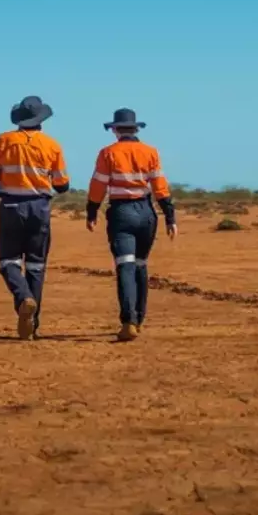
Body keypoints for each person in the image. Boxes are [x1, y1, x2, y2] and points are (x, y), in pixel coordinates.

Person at [0, 96, 71, 340]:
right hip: (40, 208)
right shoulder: (52, 145)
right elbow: (62, 185)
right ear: (41, 120)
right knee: (36, 266)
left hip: (11, 207)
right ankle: (32, 325)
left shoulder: (4, 141)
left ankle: (22, 298)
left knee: (8, 261)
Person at [85, 108, 177, 342]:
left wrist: (92, 211)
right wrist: (170, 216)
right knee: (140, 265)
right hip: (147, 213)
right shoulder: (151, 152)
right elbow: (160, 186)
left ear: (115, 130)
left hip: (121, 212)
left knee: (125, 266)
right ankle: (138, 318)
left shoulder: (107, 153)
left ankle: (129, 320)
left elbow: (98, 186)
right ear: (135, 129)